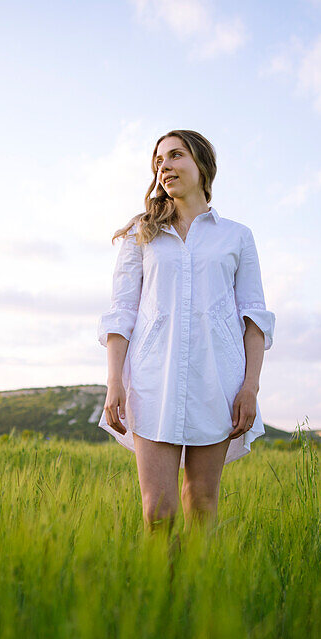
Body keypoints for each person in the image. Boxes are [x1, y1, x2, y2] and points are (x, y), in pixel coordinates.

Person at [97, 129, 275, 533]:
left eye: (175, 156)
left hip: (217, 384)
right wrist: (114, 383)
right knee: (157, 511)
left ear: (201, 163)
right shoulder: (141, 234)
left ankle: (195, 592)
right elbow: (120, 315)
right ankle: (162, 593)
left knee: (201, 503)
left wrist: (250, 386)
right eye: (158, 160)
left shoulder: (237, 237)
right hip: (152, 382)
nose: (164, 166)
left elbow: (254, 317)